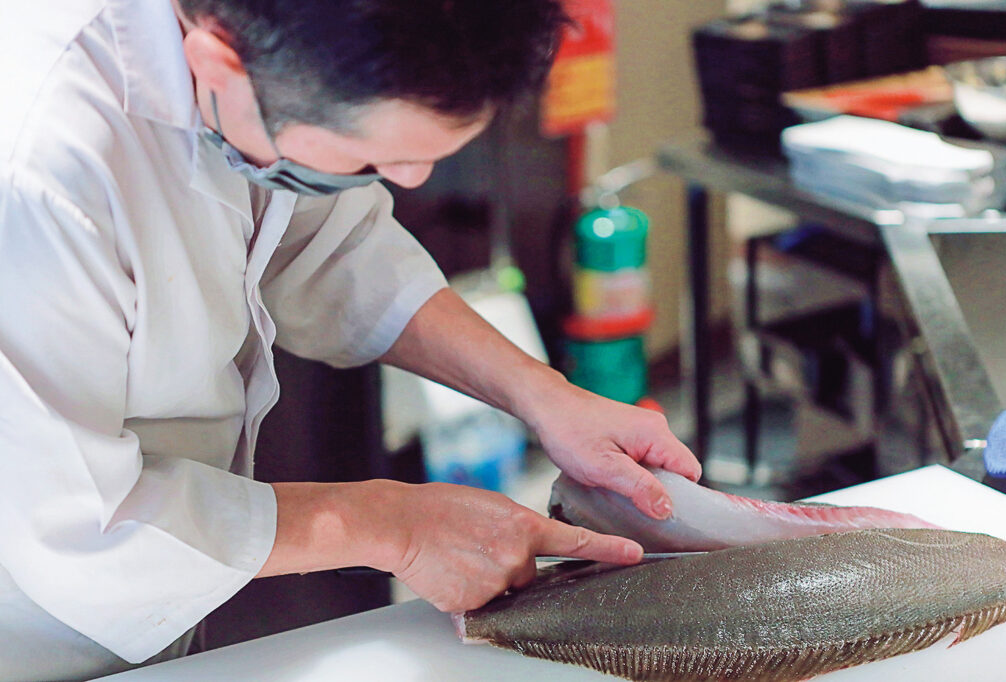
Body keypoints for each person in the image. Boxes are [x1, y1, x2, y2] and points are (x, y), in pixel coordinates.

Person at [0, 1, 701, 680]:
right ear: (218, 65)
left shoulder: (277, 73)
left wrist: (548, 397)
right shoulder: (36, 165)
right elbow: (77, 526)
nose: (410, 179)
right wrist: (396, 524)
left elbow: (331, 247)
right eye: (366, 161)